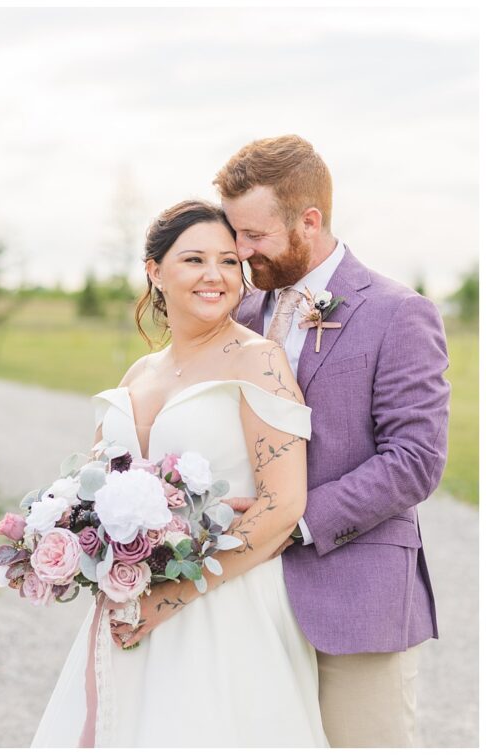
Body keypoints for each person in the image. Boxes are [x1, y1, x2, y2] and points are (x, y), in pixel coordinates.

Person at [32, 200, 328, 747]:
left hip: (224, 609)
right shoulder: (140, 371)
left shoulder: (258, 361)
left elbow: (283, 503)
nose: (215, 276)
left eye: (227, 261)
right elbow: (89, 488)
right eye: (193, 259)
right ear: (155, 272)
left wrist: (169, 598)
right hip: (128, 604)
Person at [215, 135, 448, 747]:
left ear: (309, 221)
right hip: (246, 599)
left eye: (254, 236)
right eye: (234, 233)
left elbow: (415, 461)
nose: (240, 252)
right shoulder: (239, 313)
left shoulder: (399, 313)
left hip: (356, 596)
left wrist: (290, 521)